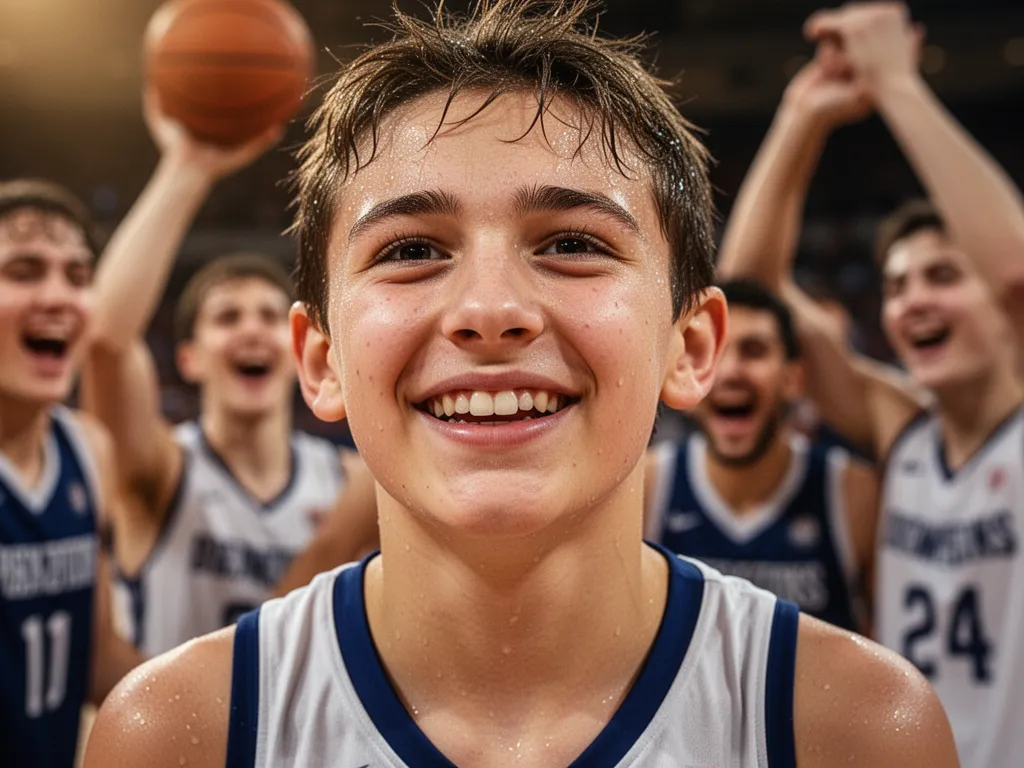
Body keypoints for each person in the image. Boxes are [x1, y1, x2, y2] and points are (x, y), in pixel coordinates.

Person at [85, 3, 955, 767]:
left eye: (573, 243)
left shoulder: (859, 727)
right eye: (412, 250)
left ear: (691, 346)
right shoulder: (172, 734)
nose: (491, 309)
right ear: (320, 362)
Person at [716, 3, 1024, 765]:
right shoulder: (903, 427)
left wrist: (897, 86)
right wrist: (800, 117)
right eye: (895, 285)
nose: (911, 299)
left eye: (943, 276)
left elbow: (1017, 274)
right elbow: (750, 289)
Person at [81, 98, 378, 657]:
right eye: (227, 316)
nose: (252, 331)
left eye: (269, 315)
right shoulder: (161, 469)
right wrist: (187, 168)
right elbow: (104, 341)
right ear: (189, 357)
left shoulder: (353, 481)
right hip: (181, 743)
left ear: (298, 350)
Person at [0, 180, 143, 767]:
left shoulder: (89, 449)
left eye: (78, 277)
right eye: (24, 271)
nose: (59, 296)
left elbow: (98, 659)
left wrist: (246, 688)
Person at [645, 279, 878, 632]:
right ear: (690, 372)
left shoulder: (853, 493)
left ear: (793, 379)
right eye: (715, 353)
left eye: (753, 351)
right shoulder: (646, 486)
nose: (731, 372)